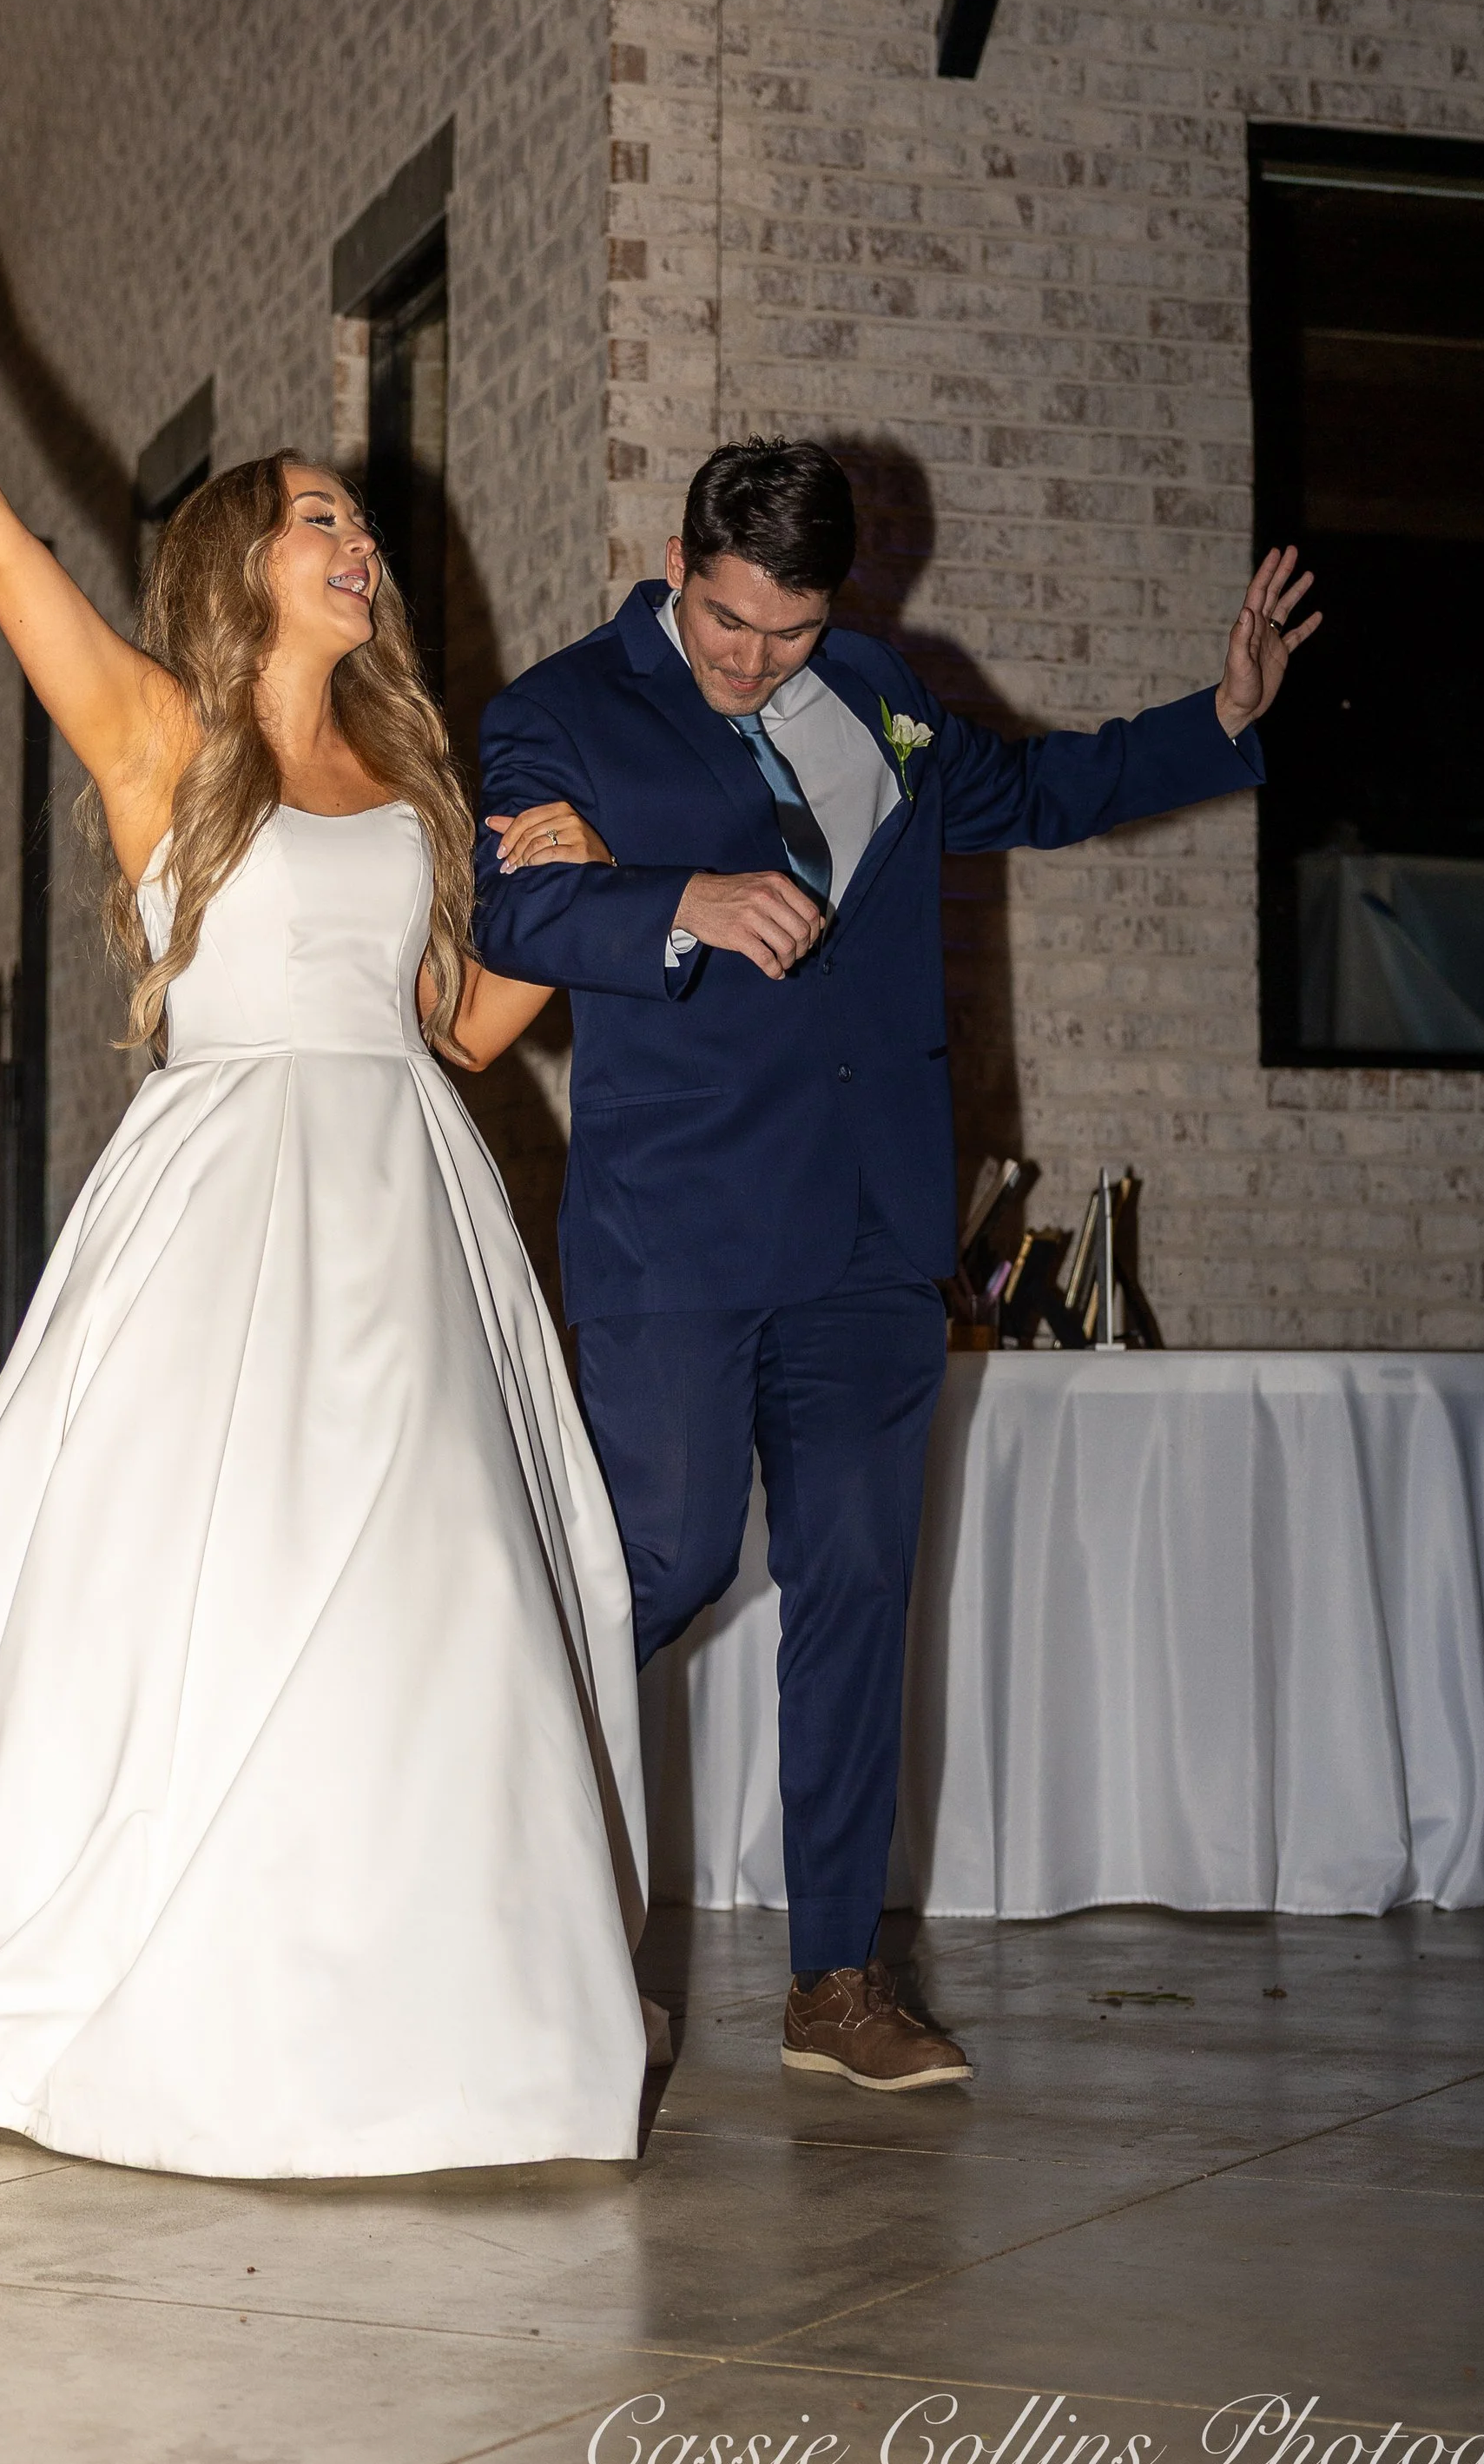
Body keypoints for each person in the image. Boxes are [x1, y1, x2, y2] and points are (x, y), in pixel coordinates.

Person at [0, 216, 647, 2181]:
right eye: (315, 520)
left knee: (435, 1588)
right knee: (191, 1595)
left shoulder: (405, 785)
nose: (353, 541)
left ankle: (435, 2015)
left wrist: (587, 892)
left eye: (358, 521)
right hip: (226, 1217)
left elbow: (456, 1027)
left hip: (410, 1213)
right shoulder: (162, 743)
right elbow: (2, 555)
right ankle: (142, 1981)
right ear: (235, 562)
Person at [473, 439, 1317, 2092]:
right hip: (681, 1233)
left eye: (783, 630)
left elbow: (1039, 792)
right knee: (668, 1556)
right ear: (679, 561)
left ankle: (836, 1979)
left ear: (831, 604)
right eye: (725, 621)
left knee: (858, 1585)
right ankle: (484, 1846)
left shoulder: (879, 690)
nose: (750, 657)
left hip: (870, 1231)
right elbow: (511, 924)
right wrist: (677, 902)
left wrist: (1219, 717)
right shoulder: (563, 709)